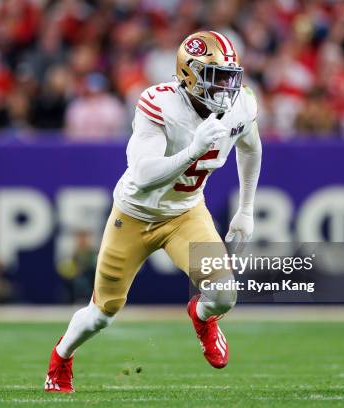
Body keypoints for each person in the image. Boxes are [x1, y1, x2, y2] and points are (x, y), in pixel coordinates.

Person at [44, 31, 262, 392]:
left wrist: (247, 209)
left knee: (224, 294)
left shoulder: (240, 105)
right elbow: (144, 175)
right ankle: (61, 357)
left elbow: (251, 148)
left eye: (229, 76)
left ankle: (202, 317)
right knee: (102, 313)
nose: (225, 86)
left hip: (185, 214)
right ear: (189, 73)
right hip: (134, 214)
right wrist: (192, 150)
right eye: (215, 76)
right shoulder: (160, 103)